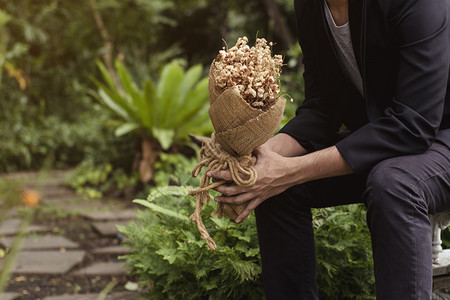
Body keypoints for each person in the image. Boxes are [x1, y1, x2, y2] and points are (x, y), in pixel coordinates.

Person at [208, 0, 450, 298]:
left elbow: (413, 124)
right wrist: (265, 157)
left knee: (394, 183)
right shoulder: (311, 6)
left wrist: (291, 171)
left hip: (435, 134)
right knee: (272, 186)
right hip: (390, 137)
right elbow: (323, 106)